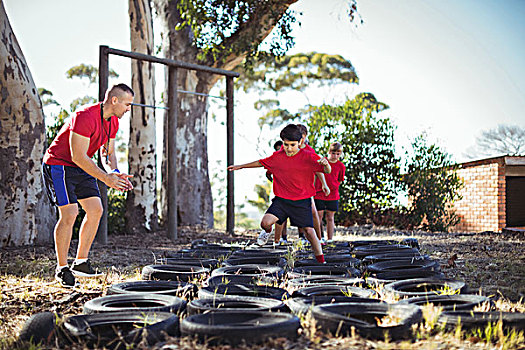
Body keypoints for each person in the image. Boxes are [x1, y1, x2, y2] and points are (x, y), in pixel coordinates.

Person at [42, 83, 135, 287]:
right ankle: (62, 268)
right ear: (114, 100)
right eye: (127, 104)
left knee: (95, 210)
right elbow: (77, 156)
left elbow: (107, 153)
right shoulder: (85, 116)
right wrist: (104, 178)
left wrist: (114, 173)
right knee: (70, 213)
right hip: (60, 164)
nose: (129, 109)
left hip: (82, 166)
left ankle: (81, 263)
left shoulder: (113, 123)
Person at [227, 124, 331, 263]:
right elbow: (260, 162)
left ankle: (321, 261)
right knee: (265, 223)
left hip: (302, 201)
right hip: (282, 201)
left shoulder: (309, 156)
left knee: (310, 232)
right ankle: (268, 232)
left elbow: (327, 171)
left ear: (300, 142)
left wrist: (326, 165)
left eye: (292, 145)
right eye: (286, 144)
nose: (288, 148)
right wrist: (241, 166)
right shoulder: (277, 157)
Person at [295, 124, 330, 244]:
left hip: (306, 187)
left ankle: (319, 238)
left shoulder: (309, 151)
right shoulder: (289, 149)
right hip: (292, 186)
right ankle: (301, 237)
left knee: (313, 212)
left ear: (303, 137)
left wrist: (324, 184)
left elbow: (318, 168)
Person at [314, 142, 346, 242]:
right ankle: (319, 238)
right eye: (333, 153)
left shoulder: (341, 166)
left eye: (338, 154)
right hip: (319, 193)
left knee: (330, 217)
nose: (335, 156)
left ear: (340, 154)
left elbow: (340, 180)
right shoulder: (322, 162)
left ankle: (330, 239)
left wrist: (333, 187)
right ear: (329, 152)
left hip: (333, 195)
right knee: (318, 216)